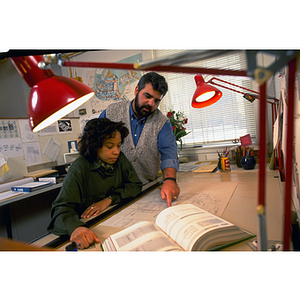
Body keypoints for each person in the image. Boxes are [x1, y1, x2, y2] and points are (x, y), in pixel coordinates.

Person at [47, 118, 143, 250]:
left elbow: (135, 185)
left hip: (112, 220)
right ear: (95, 146)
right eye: (110, 146)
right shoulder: (79, 168)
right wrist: (75, 227)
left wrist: (109, 200)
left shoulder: (120, 159)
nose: (116, 151)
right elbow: (60, 211)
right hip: (89, 228)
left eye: (119, 145)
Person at [99, 71, 180, 207]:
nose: (150, 103)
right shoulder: (111, 112)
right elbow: (93, 143)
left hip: (145, 190)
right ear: (137, 90)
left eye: (156, 101)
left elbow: (169, 153)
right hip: (109, 192)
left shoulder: (161, 123)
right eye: (147, 96)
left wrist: (170, 179)